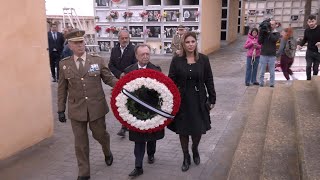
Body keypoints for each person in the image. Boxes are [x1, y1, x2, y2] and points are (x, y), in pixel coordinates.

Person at [57, 29, 117, 180]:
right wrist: (60, 109)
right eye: (76, 43)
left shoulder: (96, 60)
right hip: (76, 109)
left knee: (100, 135)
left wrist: (124, 84)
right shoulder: (64, 64)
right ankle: (84, 172)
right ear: (70, 45)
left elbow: (108, 78)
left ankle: (107, 150)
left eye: (81, 42)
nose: (80, 45)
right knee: (80, 143)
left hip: (96, 108)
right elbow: (62, 89)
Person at [168, 32, 216, 172]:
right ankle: (185, 156)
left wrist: (212, 98)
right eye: (187, 42)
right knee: (183, 130)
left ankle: (194, 149)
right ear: (183, 44)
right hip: (182, 101)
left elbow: (209, 79)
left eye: (192, 41)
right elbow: (171, 80)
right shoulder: (176, 60)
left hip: (198, 100)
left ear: (196, 43)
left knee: (197, 129)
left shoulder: (203, 59)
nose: (190, 44)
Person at [123, 44, 164, 177]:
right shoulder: (129, 71)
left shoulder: (156, 70)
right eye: (142, 54)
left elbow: (162, 92)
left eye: (147, 54)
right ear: (136, 56)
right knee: (138, 140)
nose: (145, 56)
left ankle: (151, 154)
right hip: (135, 112)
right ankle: (138, 166)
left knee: (152, 137)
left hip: (151, 110)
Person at [108, 29, 137, 137]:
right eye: (122, 38)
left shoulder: (134, 49)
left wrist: (126, 74)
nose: (124, 40)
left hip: (131, 81)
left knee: (130, 103)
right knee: (121, 103)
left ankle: (129, 124)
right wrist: (119, 74)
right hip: (119, 80)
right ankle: (124, 125)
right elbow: (111, 64)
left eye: (126, 38)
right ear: (118, 38)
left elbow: (135, 64)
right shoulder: (114, 49)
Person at [258, 19, 281, 87]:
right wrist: (261, 33)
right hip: (263, 54)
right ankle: (261, 83)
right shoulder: (264, 32)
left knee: (272, 72)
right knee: (262, 71)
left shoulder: (276, 33)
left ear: (275, 25)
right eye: (270, 24)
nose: (271, 26)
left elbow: (274, 39)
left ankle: (271, 84)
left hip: (272, 55)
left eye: (272, 25)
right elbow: (259, 41)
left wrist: (269, 32)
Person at [297, 15, 320, 80]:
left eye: (312, 21)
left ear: (315, 21)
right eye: (309, 22)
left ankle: (314, 80)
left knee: (316, 68)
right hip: (309, 51)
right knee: (308, 66)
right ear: (307, 22)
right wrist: (300, 45)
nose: (311, 23)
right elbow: (305, 39)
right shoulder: (307, 30)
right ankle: (308, 80)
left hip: (318, 52)